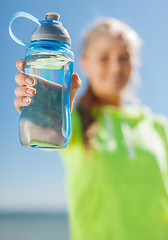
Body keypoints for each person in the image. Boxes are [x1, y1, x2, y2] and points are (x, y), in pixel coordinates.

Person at [14, 17, 168, 240]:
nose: (116, 67)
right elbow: (48, 129)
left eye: (124, 57)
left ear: (135, 63)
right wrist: (40, 104)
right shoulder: (75, 121)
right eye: (104, 58)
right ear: (85, 63)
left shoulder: (159, 127)